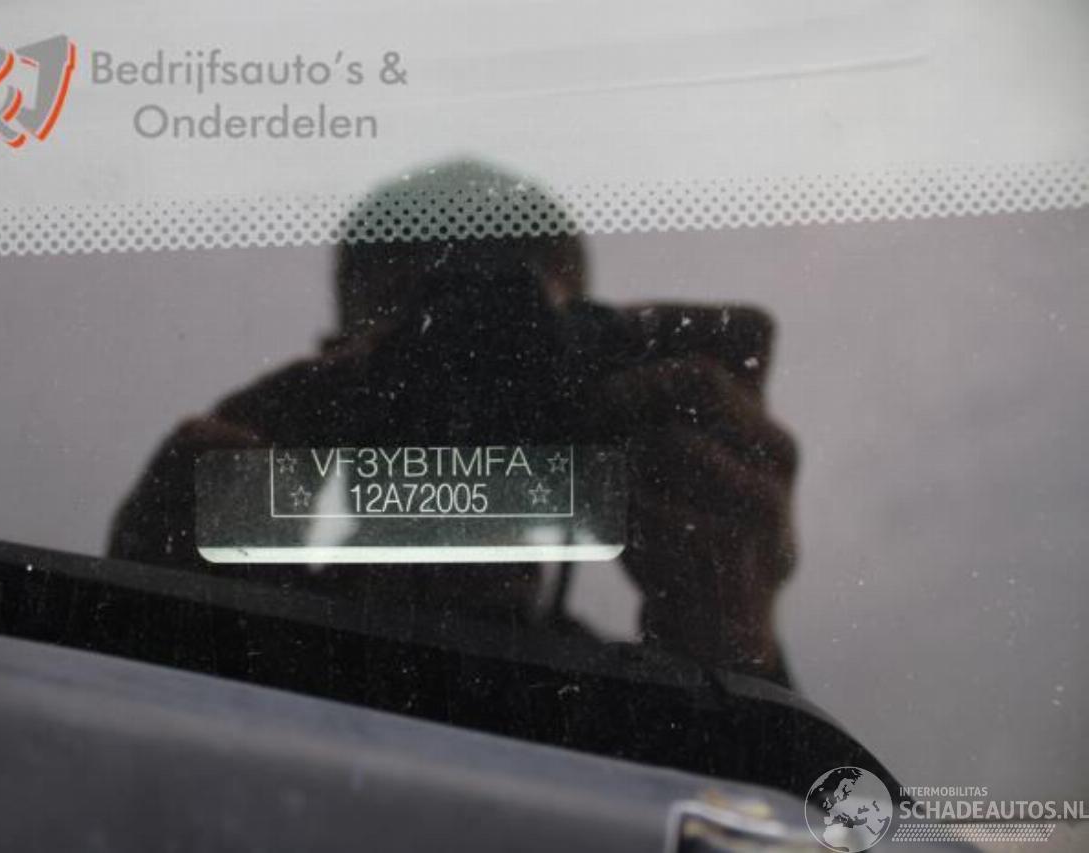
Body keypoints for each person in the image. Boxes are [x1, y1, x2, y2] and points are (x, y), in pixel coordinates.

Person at [109, 160, 799, 685]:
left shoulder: (254, 649)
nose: (471, 384)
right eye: (425, 341)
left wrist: (732, 641)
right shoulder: (242, 626)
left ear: (592, 385)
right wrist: (156, 601)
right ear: (335, 373)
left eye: (520, 342)